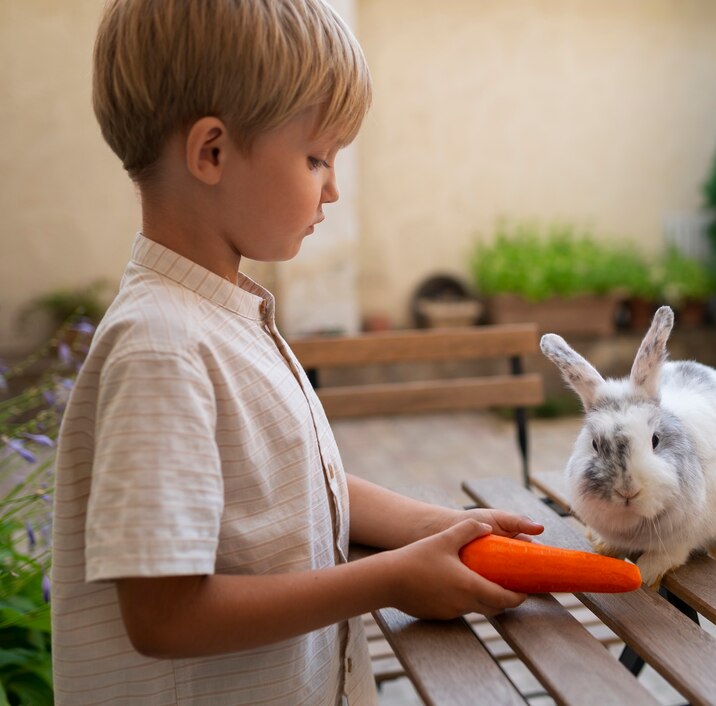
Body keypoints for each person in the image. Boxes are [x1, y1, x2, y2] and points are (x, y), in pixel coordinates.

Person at [50, 1, 543, 703]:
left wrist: (431, 527)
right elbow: (164, 617)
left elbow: (294, 486)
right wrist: (394, 579)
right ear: (211, 152)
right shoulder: (161, 347)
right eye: (316, 157)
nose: (334, 188)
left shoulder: (222, 313)